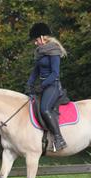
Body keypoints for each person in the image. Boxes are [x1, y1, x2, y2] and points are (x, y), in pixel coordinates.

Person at [26, 22, 67, 152]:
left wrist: (42, 86)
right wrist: (29, 84)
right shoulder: (40, 52)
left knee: (44, 109)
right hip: (43, 86)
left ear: (43, 37)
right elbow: (35, 71)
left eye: (36, 39)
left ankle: (59, 139)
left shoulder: (54, 50)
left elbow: (55, 73)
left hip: (53, 85)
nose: (35, 43)